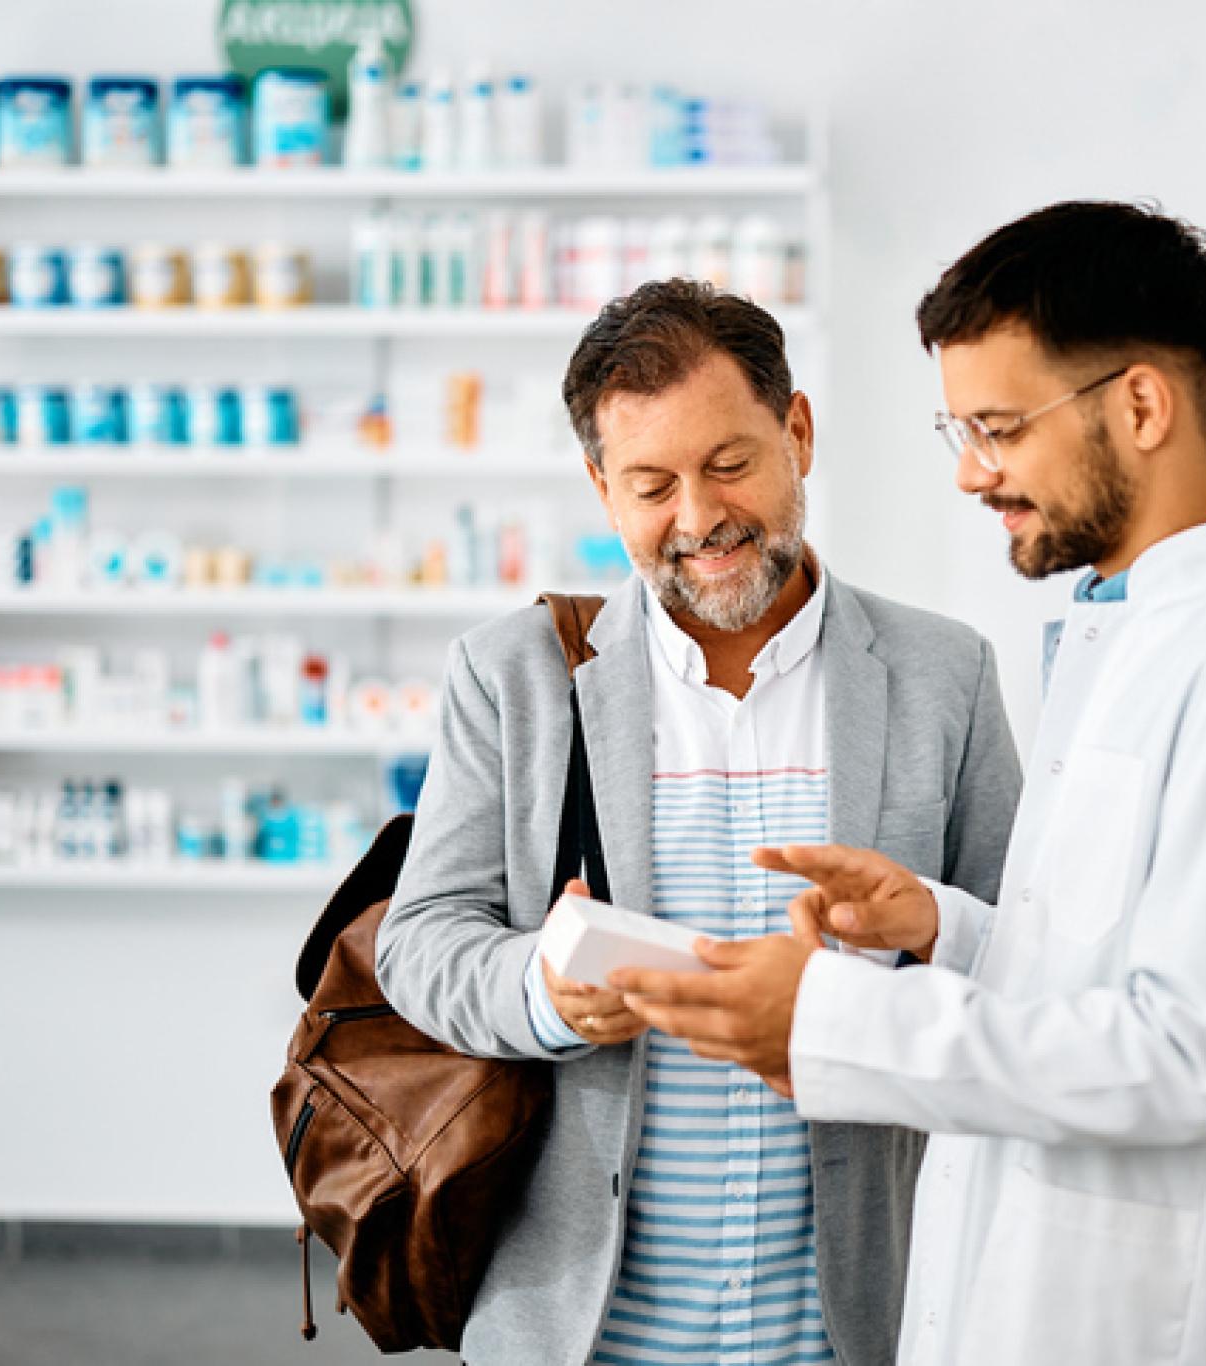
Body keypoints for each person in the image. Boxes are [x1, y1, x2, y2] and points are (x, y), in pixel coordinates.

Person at [611, 202, 1206, 1365]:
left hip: (1138, 1322)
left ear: (1138, 405)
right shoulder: (1122, 630)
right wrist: (944, 927)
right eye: (959, 430)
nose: (974, 473)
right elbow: (1096, 973)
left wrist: (828, 1015)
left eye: (998, 426)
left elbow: (1190, 1056)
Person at [375, 278, 1023, 1366]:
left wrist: (913, 934)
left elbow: (1015, 947)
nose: (699, 518)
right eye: (650, 484)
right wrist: (542, 988)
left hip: (851, 1321)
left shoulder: (940, 673)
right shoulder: (514, 677)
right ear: (600, 487)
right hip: (586, 1329)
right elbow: (420, 941)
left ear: (797, 432)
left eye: (729, 464)